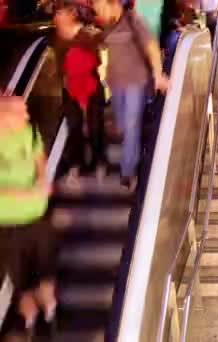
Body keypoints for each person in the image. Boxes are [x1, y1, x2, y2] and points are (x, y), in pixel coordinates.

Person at [92, 0, 169, 189]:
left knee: (131, 124)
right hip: (116, 84)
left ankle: (127, 172)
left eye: (100, 6)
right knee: (123, 126)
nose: (97, 11)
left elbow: (151, 47)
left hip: (136, 81)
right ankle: (135, 154)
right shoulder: (107, 25)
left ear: (112, 3)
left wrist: (158, 75)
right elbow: (100, 44)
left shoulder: (134, 20)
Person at [0, 95, 56, 338]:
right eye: (20, 112)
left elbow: (39, 156)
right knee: (23, 285)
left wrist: (43, 178)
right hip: (9, 223)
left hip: (38, 217)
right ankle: (32, 325)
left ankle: (50, 316)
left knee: (44, 274)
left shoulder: (28, 132)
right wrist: (23, 192)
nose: (26, 115)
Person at [55, 0, 107, 188]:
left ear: (72, 15)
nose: (57, 18)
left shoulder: (89, 34)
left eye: (61, 14)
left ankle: (99, 162)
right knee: (74, 128)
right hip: (70, 89)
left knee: (94, 128)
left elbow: (99, 55)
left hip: (91, 87)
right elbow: (61, 67)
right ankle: (76, 166)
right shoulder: (59, 39)